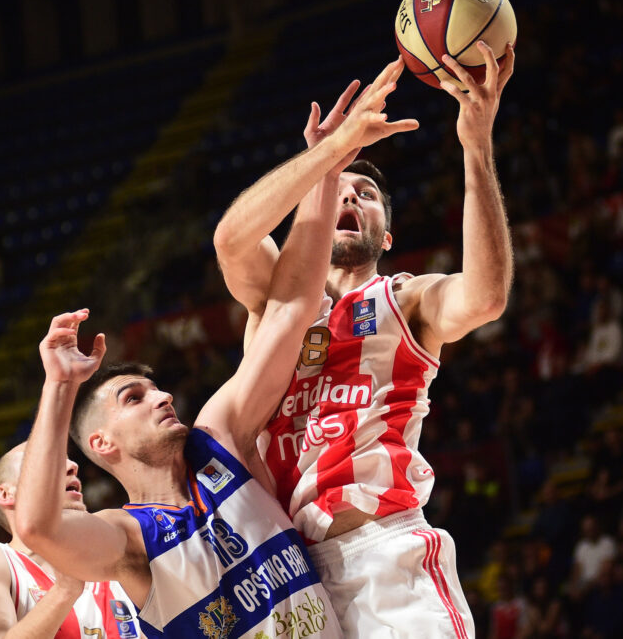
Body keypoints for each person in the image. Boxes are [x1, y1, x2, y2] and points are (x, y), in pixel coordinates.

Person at [13, 63, 416, 638]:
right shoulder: (129, 540)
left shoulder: (220, 441)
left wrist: (329, 164)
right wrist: (58, 386)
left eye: (155, 388)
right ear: (102, 443)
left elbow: (291, 308)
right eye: (133, 398)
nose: (162, 397)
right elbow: (38, 528)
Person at [212, 42, 516, 637]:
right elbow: (230, 240)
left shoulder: (405, 299)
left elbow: (484, 297)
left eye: (367, 195)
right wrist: (325, 158)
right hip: (291, 579)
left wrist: (476, 147)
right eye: (339, 189)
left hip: (383, 556)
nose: (351, 195)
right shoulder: (275, 306)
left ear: (387, 235)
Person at [0, 443, 143, 638]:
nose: (73, 466)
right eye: (49, 461)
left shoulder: (116, 567)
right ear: (6, 494)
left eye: (68, 460)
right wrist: (65, 590)